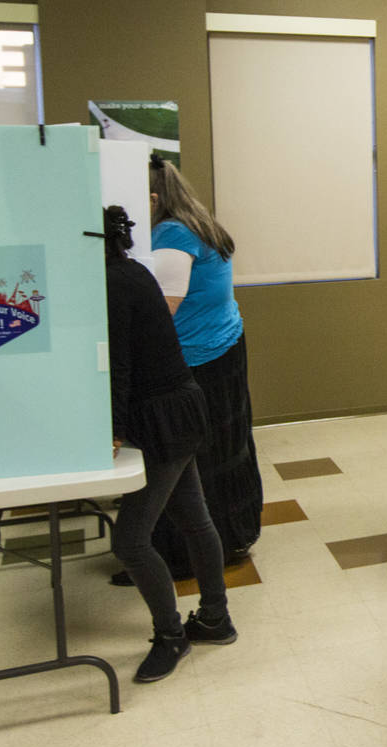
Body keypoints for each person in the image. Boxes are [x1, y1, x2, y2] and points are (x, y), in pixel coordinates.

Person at [102, 206, 237, 683]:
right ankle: (215, 619)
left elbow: (115, 363)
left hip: (163, 417)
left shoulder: (116, 283)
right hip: (176, 407)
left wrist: (112, 428)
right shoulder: (129, 271)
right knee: (194, 519)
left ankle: (171, 635)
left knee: (131, 541)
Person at [144, 155, 264, 577]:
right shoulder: (197, 223)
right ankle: (228, 538)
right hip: (222, 346)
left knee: (195, 460)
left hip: (201, 358)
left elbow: (162, 312)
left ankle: (188, 554)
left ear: (155, 197)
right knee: (224, 448)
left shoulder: (173, 236)